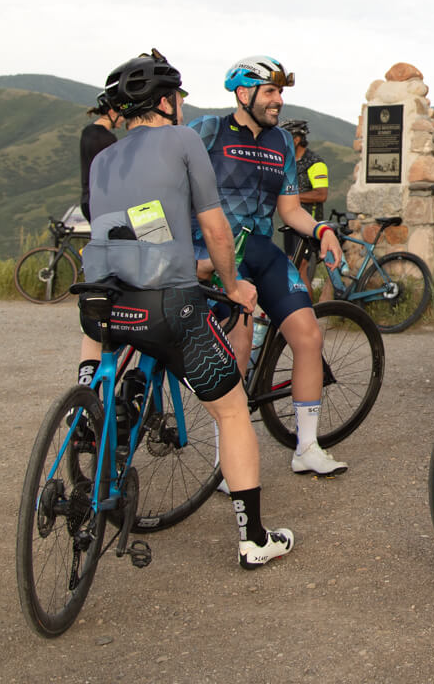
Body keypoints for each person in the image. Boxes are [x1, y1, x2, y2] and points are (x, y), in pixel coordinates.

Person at [79, 49, 293, 569]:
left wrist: (173, 255)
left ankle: (90, 396)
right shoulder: (184, 139)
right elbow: (216, 228)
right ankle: (253, 539)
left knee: (110, 348)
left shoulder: (105, 156)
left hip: (101, 301)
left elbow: (133, 222)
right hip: (166, 306)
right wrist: (233, 282)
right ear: (167, 101)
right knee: (232, 409)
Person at [188, 56, 349, 477]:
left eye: (281, 92)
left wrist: (321, 231)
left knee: (308, 335)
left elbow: (291, 210)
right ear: (244, 94)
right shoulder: (208, 131)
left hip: (261, 249)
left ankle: (307, 447)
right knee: (239, 343)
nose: (279, 100)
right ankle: (229, 464)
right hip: (220, 252)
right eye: (271, 92)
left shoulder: (280, 143)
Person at [77, 95, 125, 378]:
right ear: (112, 111)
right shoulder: (102, 137)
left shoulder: (90, 133)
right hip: (102, 204)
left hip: (90, 202)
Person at [277, 119, 331, 290]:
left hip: (308, 225)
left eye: (286, 137)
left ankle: (309, 312)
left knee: (300, 270)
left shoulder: (315, 163)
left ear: (296, 139)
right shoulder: (290, 161)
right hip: (291, 225)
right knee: (292, 268)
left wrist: (291, 196)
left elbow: (321, 194)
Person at [79, 95, 124, 223]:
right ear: (111, 112)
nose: (123, 119)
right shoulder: (107, 138)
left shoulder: (87, 131)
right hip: (103, 202)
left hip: (87, 199)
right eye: (120, 114)